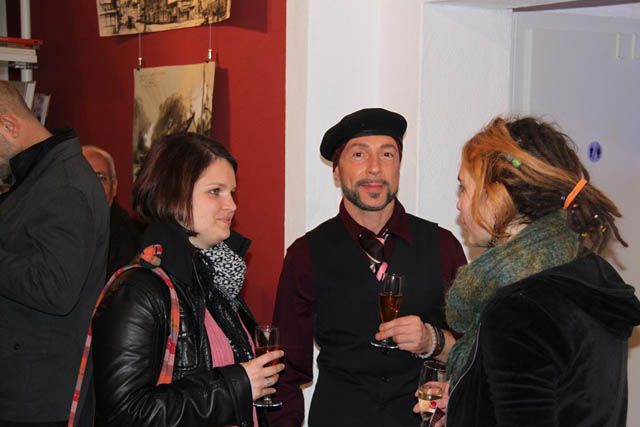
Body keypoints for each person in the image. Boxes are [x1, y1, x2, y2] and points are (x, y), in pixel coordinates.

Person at [270, 108, 467, 427]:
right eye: (359, 154)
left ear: (399, 167)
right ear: (336, 171)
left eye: (387, 154)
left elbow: (475, 353)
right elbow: (284, 372)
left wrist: (433, 340)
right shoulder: (304, 254)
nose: (375, 168)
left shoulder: (444, 246)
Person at [438, 116, 640, 426]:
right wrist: (466, 404)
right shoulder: (586, 277)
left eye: (464, 188)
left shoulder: (520, 309)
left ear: (497, 197)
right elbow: (570, 398)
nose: (459, 205)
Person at [91, 133, 284, 426]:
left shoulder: (213, 278)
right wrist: (236, 385)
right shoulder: (138, 290)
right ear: (173, 194)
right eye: (215, 191)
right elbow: (125, 413)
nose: (232, 205)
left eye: (232, 192)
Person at [0, 81, 110, 425]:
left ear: (8, 125)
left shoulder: (64, 185)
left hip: (39, 399)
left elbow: (55, 289)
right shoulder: (42, 175)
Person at [82, 145, 143, 278]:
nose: (94, 186)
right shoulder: (52, 230)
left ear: (114, 186)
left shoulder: (131, 239)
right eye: (85, 177)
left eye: (102, 178)